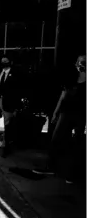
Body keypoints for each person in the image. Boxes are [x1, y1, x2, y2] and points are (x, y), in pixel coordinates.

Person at [33, 54, 86, 184]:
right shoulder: (71, 78)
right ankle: (51, 167)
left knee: (78, 143)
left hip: (81, 114)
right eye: (78, 62)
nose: (80, 65)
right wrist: (56, 112)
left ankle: (73, 174)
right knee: (56, 139)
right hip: (65, 113)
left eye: (83, 62)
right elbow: (63, 96)